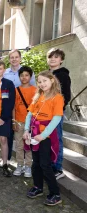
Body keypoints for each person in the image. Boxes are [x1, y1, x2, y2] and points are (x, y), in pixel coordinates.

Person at [24, 70, 63, 206]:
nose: (41, 84)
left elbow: (56, 118)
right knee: (36, 163)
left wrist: (43, 135)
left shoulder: (57, 97)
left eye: (44, 81)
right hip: (34, 133)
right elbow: (29, 115)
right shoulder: (37, 96)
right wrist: (26, 130)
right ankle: (38, 187)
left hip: (46, 135)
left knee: (45, 164)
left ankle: (55, 193)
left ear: (52, 80)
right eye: (39, 82)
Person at [4, 49, 36, 161]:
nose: (14, 59)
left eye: (16, 57)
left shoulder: (27, 71)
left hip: (26, 112)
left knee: (26, 141)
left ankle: (27, 164)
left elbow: (34, 94)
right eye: (12, 57)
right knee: (11, 136)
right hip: (10, 108)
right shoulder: (5, 73)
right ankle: (8, 160)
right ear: (9, 59)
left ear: (20, 58)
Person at [47, 48, 71, 180]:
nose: (53, 59)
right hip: (45, 113)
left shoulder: (63, 75)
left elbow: (66, 96)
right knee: (48, 139)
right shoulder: (46, 74)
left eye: (56, 57)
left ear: (61, 60)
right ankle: (50, 164)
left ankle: (58, 168)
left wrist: (56, 110)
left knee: (57, 139)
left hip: (56, 113)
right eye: (50, 56)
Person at [12, 66, 36, 178]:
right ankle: (20, 164)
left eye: (26, 75)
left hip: (31, 123)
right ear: (19, 77)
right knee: (19, 145)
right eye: (22, 75)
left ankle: (28, 166)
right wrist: (13, 121)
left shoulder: (35, 90)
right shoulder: (16, 90)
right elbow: (13, 107)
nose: (24, 77)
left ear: (30, 77)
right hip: (19, 121)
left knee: (29, 145)